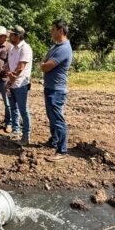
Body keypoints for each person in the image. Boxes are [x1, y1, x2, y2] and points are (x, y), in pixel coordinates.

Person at [40, 19, 73, 160]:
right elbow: (44, 61)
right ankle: (54, 141)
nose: (51, 32)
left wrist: (43, 64)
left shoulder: (64, 49)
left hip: (57, 90)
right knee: (52, 117)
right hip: (50, 87)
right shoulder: (56, 46)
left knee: (58, 119)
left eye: (53, 30)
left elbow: (46, 66)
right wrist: (44, 63)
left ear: (61, 31)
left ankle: (62, 150)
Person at [5, 25, 33, 145]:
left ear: (17, 36)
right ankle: (16, 131)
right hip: (12, 84)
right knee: (14, 109)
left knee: (23, 110)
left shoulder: (25, 48)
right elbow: (9, 65)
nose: (9, 36)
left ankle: (26, 136)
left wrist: (10, 81)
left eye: (11, 34)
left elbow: (20, 67)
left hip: (20, 84)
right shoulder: (12, 48)